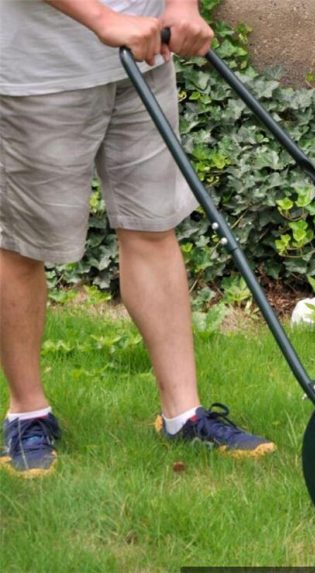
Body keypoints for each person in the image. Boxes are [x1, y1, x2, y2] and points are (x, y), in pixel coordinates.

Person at [0, 0, 275, 478]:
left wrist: (181, 5)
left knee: (152, 228)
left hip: (147, 57)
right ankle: (27, 413)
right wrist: (104, 19)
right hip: (40, 71)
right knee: (23, 246)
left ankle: (183, 415)